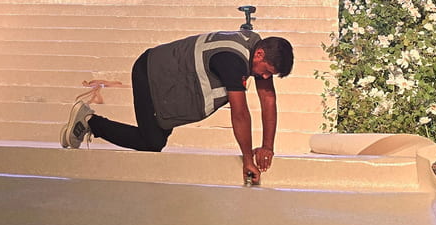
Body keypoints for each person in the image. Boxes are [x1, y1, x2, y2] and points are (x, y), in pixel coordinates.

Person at [61, 31, 293, 183]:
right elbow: (240, 113)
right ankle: (90, 121)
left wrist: (267, 147)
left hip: (172, 79)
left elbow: (268, 98)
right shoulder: (232, 59)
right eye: (266, 71)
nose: (264, 77)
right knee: (152, 142)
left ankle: (91, 122)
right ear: (259, 54)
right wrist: (248, 159)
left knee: (154, 140)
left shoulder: (255, 48)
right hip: (153, 73)